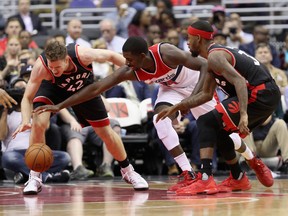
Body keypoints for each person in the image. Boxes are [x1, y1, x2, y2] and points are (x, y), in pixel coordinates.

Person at [33, 36, 271, 194]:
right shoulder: (132, 70)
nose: (125, 63)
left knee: (219, 130)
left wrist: (191, 100)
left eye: (129, 59)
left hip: (195, 85)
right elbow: (95, 88)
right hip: (170, 90)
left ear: (143, 55)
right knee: (160, 120)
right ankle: (188, 172)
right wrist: (59, 105)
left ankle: (251, 158)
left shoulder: (166, 52)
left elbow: (205, 66)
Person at [155, 20, 279, 195]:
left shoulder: (215, 55)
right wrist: (178, 106)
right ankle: (238, 178)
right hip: (263, 94)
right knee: (221, 132)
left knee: (206, 121)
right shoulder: (211, 59)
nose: (187, 43)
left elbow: (239, 82)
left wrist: (243, 114)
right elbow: (205, 94)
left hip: (260, 93)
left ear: (198, 38)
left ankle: (205, 178)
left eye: (189, 38)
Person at [12, 40, 149, 195]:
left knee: (106, 132)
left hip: (82, 88)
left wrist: (139, 71)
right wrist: (25, 120)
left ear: (67, 60)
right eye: (52, 67)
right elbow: (27, 98)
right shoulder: (41, 67)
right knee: (38, 122)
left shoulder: (83, 54)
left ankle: (128, 171)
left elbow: (112, 55)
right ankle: (35, 177)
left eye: (57, 67)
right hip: (53, 89)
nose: (54, 70)